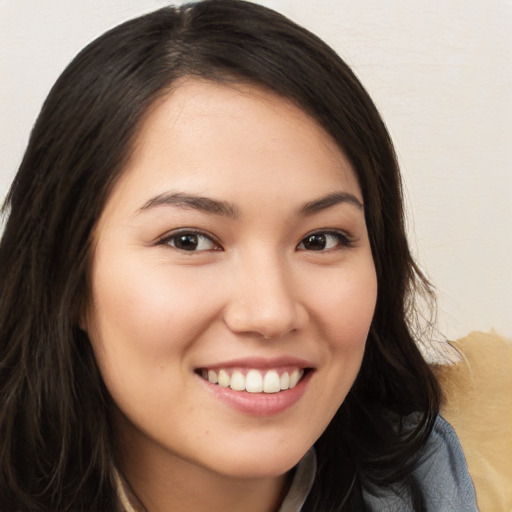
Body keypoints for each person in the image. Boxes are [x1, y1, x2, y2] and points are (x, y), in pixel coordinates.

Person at [0, 1, 477, 510]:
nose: (270, 313)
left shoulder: (433, 480)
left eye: (320, 240)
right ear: (66, 275)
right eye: (189, 240)